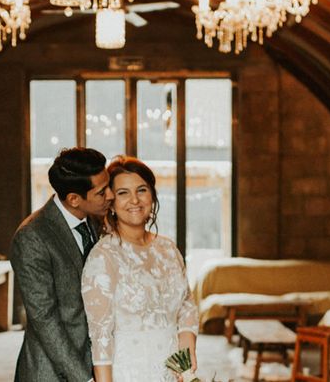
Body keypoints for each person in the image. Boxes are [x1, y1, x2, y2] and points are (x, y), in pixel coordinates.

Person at [81, 155, 199, 382]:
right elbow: (100, 336)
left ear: (152, 196)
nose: (134, 200)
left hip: (172, 373)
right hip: (129, 373)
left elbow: (186, 306)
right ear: (111, 203)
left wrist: (186, 356)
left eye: (142, 190)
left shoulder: (168, 249)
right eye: (123, 193)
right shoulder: (104, 257)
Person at [11, 147, 113, 382]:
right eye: (101, 192)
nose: (110, 195)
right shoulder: (32, 237)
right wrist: (84, 379)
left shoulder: (97, 220)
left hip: (99, 362)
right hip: (52, 372)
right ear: (74, 199)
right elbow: (45, 319)